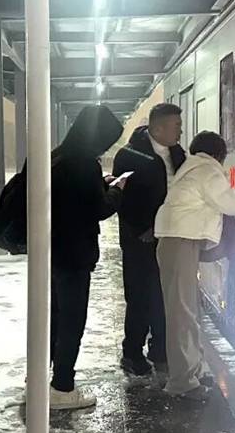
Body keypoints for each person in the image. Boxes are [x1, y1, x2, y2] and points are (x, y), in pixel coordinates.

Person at [154, 131, 235, 401]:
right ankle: (182, 382)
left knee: (188, 311)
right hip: (180, 242)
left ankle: (194, 371)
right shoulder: (207, 171)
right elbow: (232, 203)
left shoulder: (193, 168)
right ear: (219, 155)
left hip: (179, 242)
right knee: (183, 314)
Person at [51, 104, 125, 410]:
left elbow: (73, 198)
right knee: (71, 319)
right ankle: (62, 387)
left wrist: (100, 185)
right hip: (74, 252)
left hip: (52, 250)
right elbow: (98, 209)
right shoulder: (83, 164)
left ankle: (46, 377)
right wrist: (118, 190)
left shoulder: (56, 156)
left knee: (53, 316)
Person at [112, 103, 186, 383]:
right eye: (176, 125)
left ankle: (160, 350)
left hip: (170, 236)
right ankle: (132, 352)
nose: (180, 130)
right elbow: (123, 200)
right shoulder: (129, 156)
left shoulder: (178, 154)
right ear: (158, 129)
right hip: (139, 239)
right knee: (140, 296)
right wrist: (145, 228)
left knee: (165, 294)